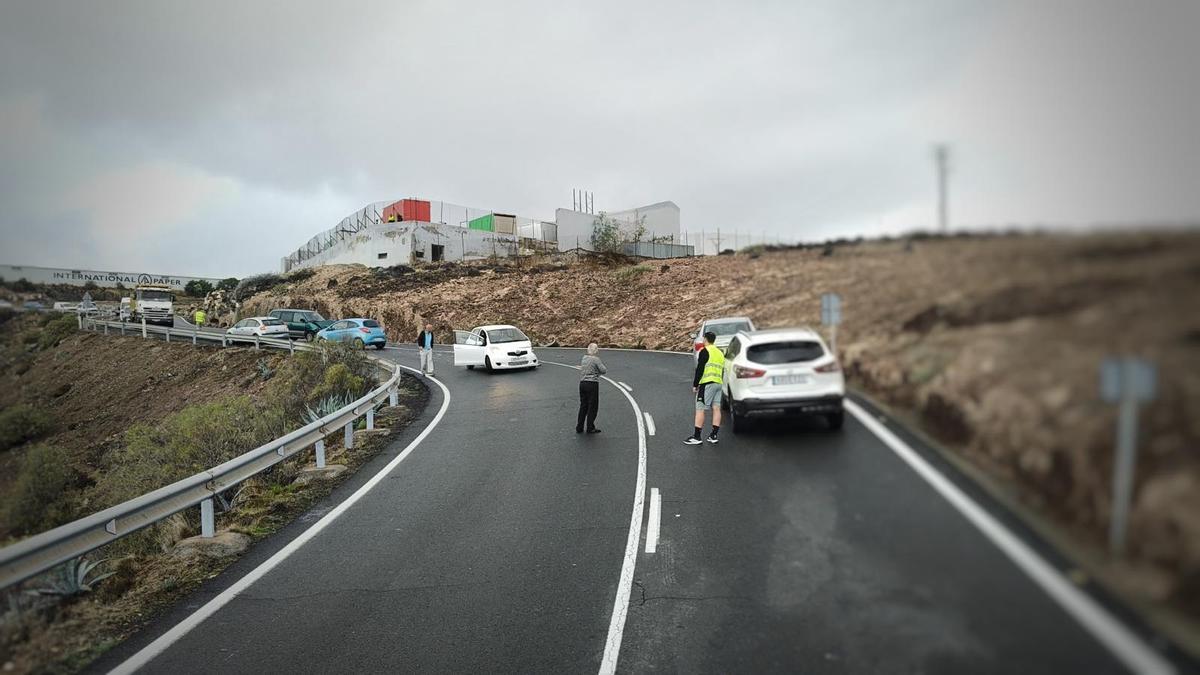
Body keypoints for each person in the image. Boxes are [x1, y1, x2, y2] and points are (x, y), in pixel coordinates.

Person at [685, 331, 724, 445]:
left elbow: (700, 369)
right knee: (716, 408)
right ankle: (714, 435)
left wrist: (695, 385)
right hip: (718, 382)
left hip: (707, 383)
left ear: (705, 339)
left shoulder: (705, 351)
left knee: (700, 408)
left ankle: (697, 437)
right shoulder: (719, 352)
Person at [578, 343, 606, 434]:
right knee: (592, 406)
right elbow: (603, 370)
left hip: (582, 383)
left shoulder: (584, 358)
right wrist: (597, 373)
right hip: (592, 384)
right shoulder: (596, 359)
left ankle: (579, 426)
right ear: (595, 350)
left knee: (583, 406)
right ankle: (590, 427)